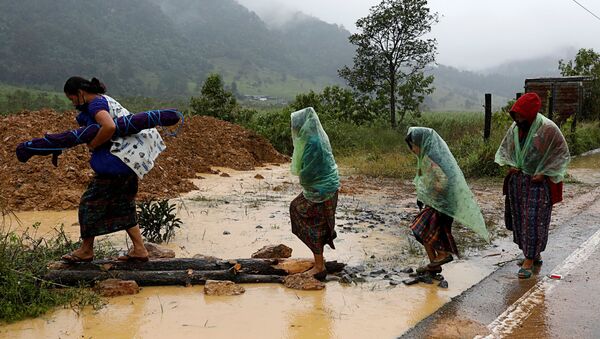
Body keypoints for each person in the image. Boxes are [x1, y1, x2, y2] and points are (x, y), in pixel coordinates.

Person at [60, 76, 166, 263]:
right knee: (124, 204)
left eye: (72, 99)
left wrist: (93, 144)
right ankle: (140, 250)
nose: (73, 103)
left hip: (117, 162)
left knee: (89, 203)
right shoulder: (105, 99)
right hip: (130, 163)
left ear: (80, 93)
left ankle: (86, 250)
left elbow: (108, 126)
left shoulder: (95, 104)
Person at [495, 92, 570, 279]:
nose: (518, 119)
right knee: (521, 219)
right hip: (519, 181)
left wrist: (544, 172)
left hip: (538, 183)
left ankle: (529, 259)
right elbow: (508, 149)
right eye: (516, 116)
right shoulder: (515, 128)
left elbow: (561, 154)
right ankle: (533, 255)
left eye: (521, 116)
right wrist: (512, 165)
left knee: (534, 220)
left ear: (530, 114)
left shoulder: (547, 129)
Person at [405, 127, 488, 274]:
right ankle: (434, 265)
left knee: (422, 229)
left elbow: (442, 181)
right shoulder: (425, 158)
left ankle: (443, 255)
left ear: (421, 144)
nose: (411, 149)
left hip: (441, 204)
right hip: (436, 204)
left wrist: (430, 193)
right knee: (422, 232)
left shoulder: (431, 159)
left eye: (413, 145)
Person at [289, 107, 340, 280]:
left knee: (302, 214)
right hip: (326, 188)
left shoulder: (313, 142)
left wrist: (304, 179)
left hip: (322, 191)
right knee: (317, 223)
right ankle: (319, 262)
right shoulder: (315, 137)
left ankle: (319, 266)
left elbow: (309, 171)